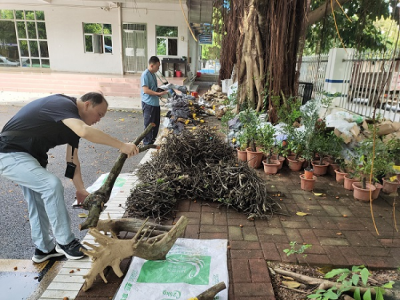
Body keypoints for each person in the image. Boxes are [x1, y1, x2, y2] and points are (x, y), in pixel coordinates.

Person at [0, 92, 139, 263]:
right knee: (51, 185)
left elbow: (72, 161)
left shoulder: (72, 125)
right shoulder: (61, 104)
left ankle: (44, 249)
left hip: (29, 158)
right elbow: (85, 130)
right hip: (9, 152)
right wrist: (122, 145)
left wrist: (80, 189)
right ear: (87, 104)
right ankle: (66, 241)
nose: (99, 119)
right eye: (99, 114)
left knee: (37, 201)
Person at [141, 56, 168, 145]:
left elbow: (153, 88)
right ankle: (147, 143)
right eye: (157, 66)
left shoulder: (152, 74)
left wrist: (160, 92)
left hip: (155, 103)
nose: (158, 68)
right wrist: (158, 94)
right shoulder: (145, 75)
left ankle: (153, 141)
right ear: (152, 65)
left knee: (156, 124)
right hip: (149, 104)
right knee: (149, 125)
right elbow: (146, 90)